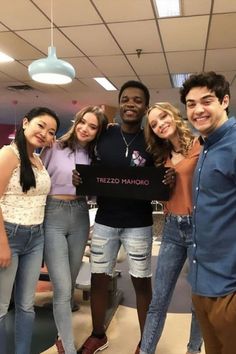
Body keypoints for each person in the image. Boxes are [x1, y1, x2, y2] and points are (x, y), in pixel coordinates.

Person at [73, 81, 174, 354]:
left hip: (139, 224)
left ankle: (146, 342)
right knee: (99, 279)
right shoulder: (104, 136)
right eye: (126, 99)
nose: (131, 104)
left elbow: (165, 176)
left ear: (145, 107)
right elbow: (87, 165)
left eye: (137, 100)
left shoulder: (153, 141)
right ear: (119, 103)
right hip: (105, 220)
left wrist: (168, 178)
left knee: (142, 282)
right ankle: (97, 334)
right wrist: (80, 178)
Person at [40, 106, 108, 354]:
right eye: (83, 122)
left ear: (98, 132)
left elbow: (93, 193)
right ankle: (67, 347)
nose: (85, 129)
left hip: (79, 215)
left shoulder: (95, 157)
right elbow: (40, 180)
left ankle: (61, 332)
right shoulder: (53, 147)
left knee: (68, 284)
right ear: (76, 121)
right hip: (52, 214)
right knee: (61, 283)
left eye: (93, 126)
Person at [179, 71, 236, 354]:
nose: (198, 109)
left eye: (207, 101)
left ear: (224, 101)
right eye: (191, 104)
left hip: (229, 289)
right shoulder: (205, 145)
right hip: (202, 284)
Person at [139, 102, 203, 354]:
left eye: (163, 117)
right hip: (172, 229)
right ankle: (146, 351)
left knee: (199, 299)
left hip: (199, 228)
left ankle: (193, 349)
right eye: (154, 124)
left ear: (174, 115)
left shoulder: (201, 145)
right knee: (159, 299)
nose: (160, 124)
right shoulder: (160, 159)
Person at [0, 107, 60, 354]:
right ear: (25, 123)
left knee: (26, 305)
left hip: (35, 238)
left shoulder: (37, 159)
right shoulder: (8, 154)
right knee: (2, 306)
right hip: (9, 236)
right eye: (40, 126)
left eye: (51, 131)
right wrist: (2, 243)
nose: (44, 133)